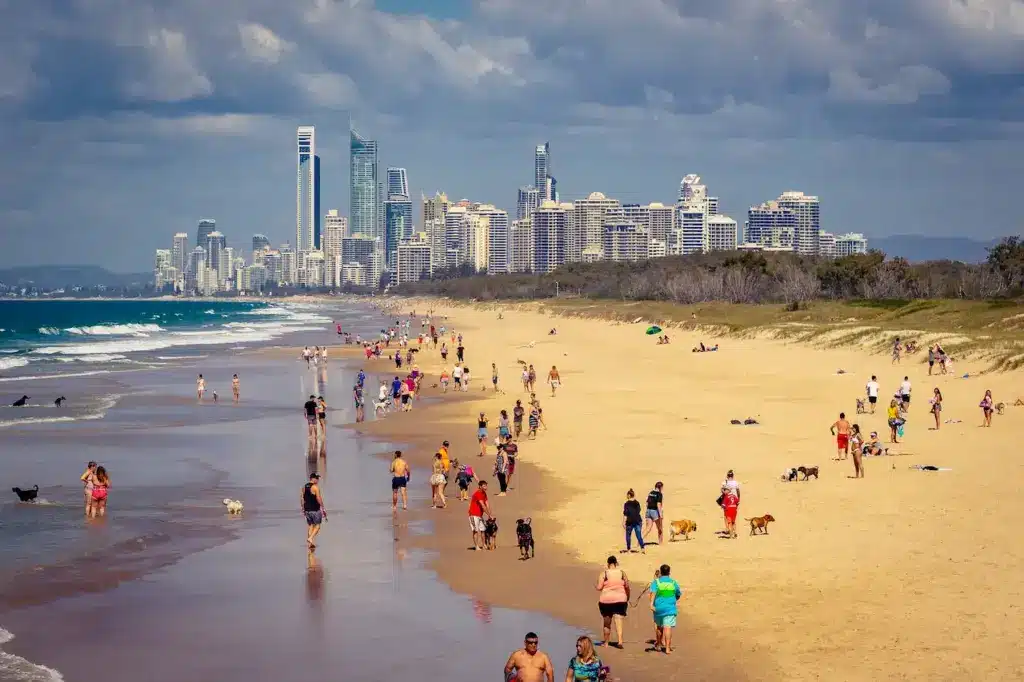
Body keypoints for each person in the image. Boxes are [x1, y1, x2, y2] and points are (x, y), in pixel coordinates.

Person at [596, 557, 630, 648]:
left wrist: (596, 586)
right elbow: (627, 586)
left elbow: (599, 587)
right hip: (620, 599)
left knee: (607, 621)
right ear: (616, 563)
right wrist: (627, 597)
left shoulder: (604, 573)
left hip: (606, 600)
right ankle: (620, 641)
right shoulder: (622, 573)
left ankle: (606, 643)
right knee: (619, 620)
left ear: (608, 564)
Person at [649, 564, 682, 654]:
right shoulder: (673, 582)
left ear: (661, 572)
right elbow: (678, 594)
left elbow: (653, 593)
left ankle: (659, 645)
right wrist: (673, 600)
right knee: (668, 627)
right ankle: (667, 648)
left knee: (659, 627)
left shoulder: (656, 582)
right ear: (669, 572)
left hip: (658, 608)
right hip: (670, 608)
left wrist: (651, 604)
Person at [302, 472, 326, 549]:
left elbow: (302, 498)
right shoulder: (315, 487)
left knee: (310, 525)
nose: (318, 480)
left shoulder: (304, 487)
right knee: (318, 526)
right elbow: (318, 498)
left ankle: (310, 544)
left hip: (307, 510)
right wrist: (323, 508)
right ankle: (310, 538)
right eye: (317, 478)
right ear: (313, 478)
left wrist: (303, 509)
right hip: (315, 509)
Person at [468, 480, 492, 551]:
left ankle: (484, 544)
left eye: (486, 485)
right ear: (480, 486)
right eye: (484, 486)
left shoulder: (484, 493)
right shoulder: (478, 493)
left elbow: (487, 504)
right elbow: (483, 506)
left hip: (479, 515)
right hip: (473, 514)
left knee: (483, 530)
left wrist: (490, 514)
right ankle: (476, 546)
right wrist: (489, 515)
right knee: (475, 530)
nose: (485, 487)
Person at [623, 489, 645, 553]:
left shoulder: (627, 504)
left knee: (628, 535)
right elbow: (638, 511)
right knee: (639, 535)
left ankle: (628, 549)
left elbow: (625, 513)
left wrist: (623, 522)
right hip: (637, 520)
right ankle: (642, 548)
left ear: (629, 495)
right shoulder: (637, 502)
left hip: (629, 521)